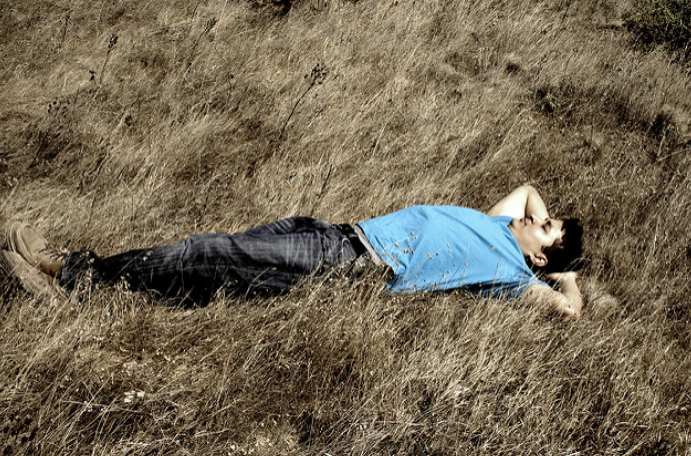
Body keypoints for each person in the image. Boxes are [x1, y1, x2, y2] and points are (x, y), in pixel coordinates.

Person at [1, 185, 584, 318]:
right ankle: (102, 294)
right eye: (545, 216)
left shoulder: (508, 271)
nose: (537, 217)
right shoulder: (497, 224)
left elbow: (567, 310)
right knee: (219, 272)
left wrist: (568, 277)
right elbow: (528, 188)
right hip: (338, 233)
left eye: (546, 228)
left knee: (212, 251)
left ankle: (72, 272)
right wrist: (546, 230)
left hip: (352, 261)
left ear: (539, 258)